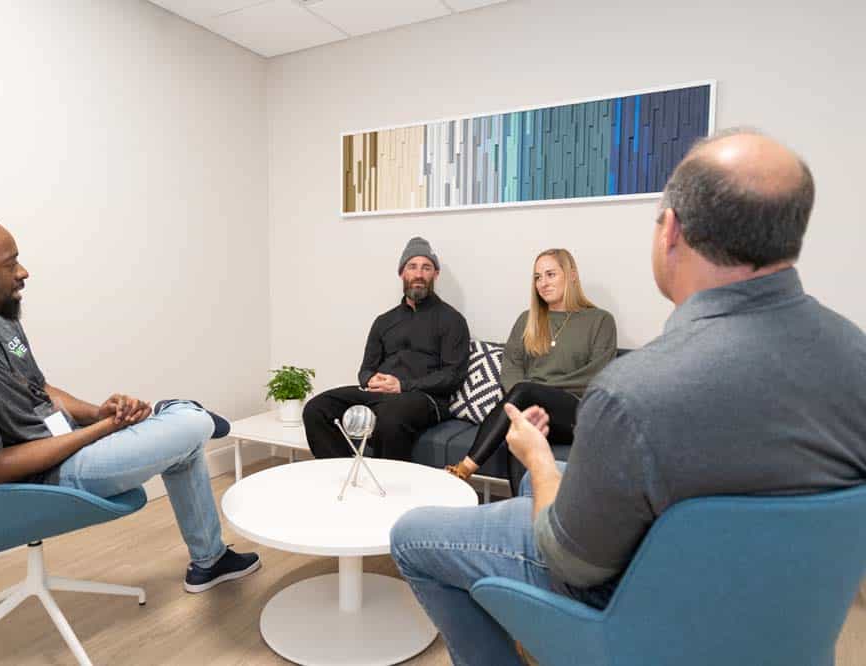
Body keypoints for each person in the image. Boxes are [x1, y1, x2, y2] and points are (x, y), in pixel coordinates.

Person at [389, 129, 866, 666]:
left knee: (413, 534)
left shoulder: (635, 390)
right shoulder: (855, 354)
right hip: (776, 624)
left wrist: (543, 464)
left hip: (637, 614)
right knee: (531, 492)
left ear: (671, 231)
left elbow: (572, 562)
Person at [0, 207, 260, 594]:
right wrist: (102, 430)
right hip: (34, 484)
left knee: (185, 438)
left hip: (63, 448)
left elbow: (38, 389)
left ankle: (210, 560)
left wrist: (97, 413)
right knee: (190, 426)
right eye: (11, 263)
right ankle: (178, 412)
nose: (23, 272)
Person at [445, 248, 616, 494]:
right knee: (522, 426)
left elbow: (599, 374)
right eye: (537, 277)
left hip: (576, 412)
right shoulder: (528, 319)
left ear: (571, 275)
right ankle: (522, 507)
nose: (543, 283)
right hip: (531, 408)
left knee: (524, 398)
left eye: (550, 274)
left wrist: (540, 391)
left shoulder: (600, 320)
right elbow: (511, 364)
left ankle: (465, 468)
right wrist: (530, 395)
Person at [302, 236, 469, 461]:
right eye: (412, 267)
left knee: (390, 416)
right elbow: (365, 371)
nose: (419, 274)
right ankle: (346, 473)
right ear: (402, 273)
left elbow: (453, 375)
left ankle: (389, 491)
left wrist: (403, 385)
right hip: (379, 395)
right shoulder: (384, 321)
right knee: (316, 409)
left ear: (435, 274)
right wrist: (370, 380)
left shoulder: (452, 320)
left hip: (424, 399)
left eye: (426, 267)